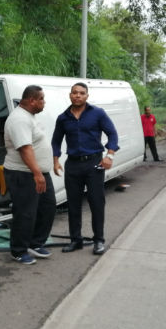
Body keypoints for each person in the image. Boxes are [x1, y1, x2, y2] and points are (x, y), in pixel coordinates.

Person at [51, 82, 119, 255]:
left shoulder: (97, 114)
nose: (78, 95)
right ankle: (76, 240)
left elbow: (112, 134)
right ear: (70, 95)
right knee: (73, 204)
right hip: (72, 164)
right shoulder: (63, 117)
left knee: (96, 202)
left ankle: (99, 241)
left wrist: (109, 156)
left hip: (94, 163)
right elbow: (56, 140)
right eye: (75, 92)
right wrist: (56, 160)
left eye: (82, 93)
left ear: (87, 96)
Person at [3, 85, 56, 265]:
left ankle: (35, 242)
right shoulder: (19, 119)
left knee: (47, 207)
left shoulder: (29, 117)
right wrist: (36, 173)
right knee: (25, 212)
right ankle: (18, 250)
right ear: (32, 100)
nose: (44, 102)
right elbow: (25, 149)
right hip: (24, 174)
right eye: (41, 99)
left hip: (38, 172)